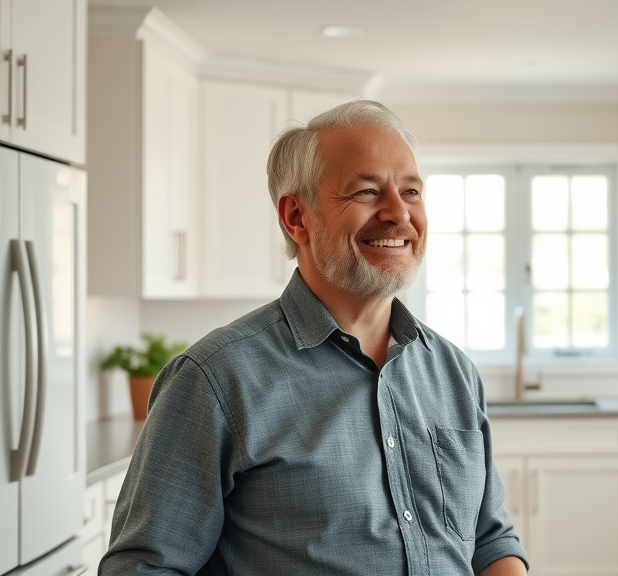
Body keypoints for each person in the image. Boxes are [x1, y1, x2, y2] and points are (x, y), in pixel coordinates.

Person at [99, 100, 529, 576]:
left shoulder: (452, 372)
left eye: (410, 191)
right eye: (367, 191)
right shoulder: (215, 380)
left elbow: (490, 539)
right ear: (296, 217)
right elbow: (143, 568)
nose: (398, 213)